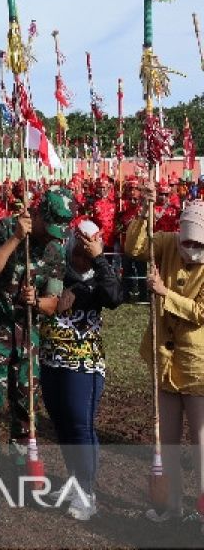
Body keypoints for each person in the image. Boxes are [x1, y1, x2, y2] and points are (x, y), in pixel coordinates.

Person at [0, 188, 73, 482]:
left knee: (26, 406)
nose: (53, 237)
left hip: (27, 338)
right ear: (39, 214)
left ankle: (21, 467)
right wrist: (16, 238)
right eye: (50, 228)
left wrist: (37, 301)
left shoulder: (55, 249)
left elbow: (53, 302)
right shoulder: (5, 228)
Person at [34, 219, 122, 521]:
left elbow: (114, 298)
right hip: (51, 359)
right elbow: (39, 295)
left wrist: (99, 258)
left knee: (80, 425)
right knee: (61, 424)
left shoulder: (101, 275)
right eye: (78, 249)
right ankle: (73, 481)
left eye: (88, 251)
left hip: (83, 363)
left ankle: (87, 492)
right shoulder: (56, 267)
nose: (80, 257)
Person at [126, 188, 204, 524]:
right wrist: (146, 210)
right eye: (187, 243)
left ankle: (202, 511)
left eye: (198, 246)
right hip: (165, 359)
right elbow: (134, 247)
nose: (190, 251)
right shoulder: (168, 242)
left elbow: (200, 312)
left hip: (198, 364)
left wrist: (164, 293)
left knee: (201, 444)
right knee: (169, 441)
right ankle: (174, 507)